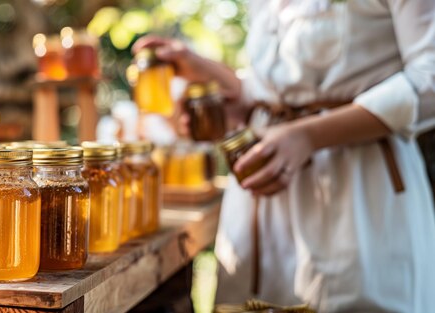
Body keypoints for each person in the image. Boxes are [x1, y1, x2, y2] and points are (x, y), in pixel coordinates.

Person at [133, 0, 435, 312]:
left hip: (359, 197)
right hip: (261, 206)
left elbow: (430, 79)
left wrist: (309, 136)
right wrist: (228, 89)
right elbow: (282, 89)